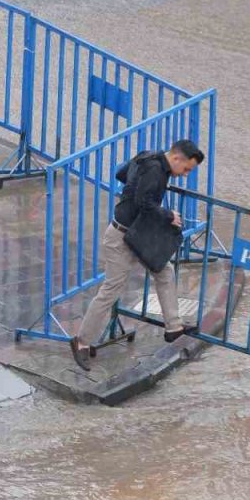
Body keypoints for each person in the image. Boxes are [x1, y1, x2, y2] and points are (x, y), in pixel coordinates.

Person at [69, 139, 205, 371]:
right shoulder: (155, 169)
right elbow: (145, 202)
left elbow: (122, 173)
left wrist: (133, 191)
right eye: (186, 169)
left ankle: (173, 328)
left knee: (164, 271)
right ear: (176, 158)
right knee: (111, 290)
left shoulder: (147, 155)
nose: (184, 175)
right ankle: (81, 342)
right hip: (122, 238)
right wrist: (168, 215)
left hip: (136, 234)